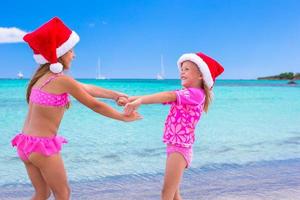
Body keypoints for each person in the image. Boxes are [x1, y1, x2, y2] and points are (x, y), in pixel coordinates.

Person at [11, 17, 140, 200]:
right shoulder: (62, 80)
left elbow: (86, 88)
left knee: (42, 193)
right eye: (71, 50)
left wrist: (115, 94)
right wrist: (122, 117)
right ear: (61, 53)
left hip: (25, 144)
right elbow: (94, 104)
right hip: (41, 147)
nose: (74, 55)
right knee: (63, 194)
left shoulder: (42, 78)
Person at [122, 52, 224, 200]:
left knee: (166, 194)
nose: (182, 72)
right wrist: (132, 99)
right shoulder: (185, 95)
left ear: (201, 75)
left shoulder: (196, 94)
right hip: (176, 147)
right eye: (181, 69)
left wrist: (140, 101)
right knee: (175, 196)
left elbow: (168, 95)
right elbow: (162, 97)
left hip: (180, 148)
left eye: (187, 69)